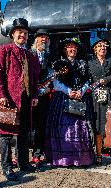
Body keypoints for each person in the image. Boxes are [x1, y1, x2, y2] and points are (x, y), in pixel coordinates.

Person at [0, 18, 41, 181]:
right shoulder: (4, 50)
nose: (23, 35)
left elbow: (34, 78)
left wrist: (34, 95)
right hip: (9, 99)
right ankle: (7, 167)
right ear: (13, 34)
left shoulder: (30, 55)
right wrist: (0, 95)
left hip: (26, 98)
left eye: (26, 33)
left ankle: (23, 163)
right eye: (20, 32)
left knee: (24, 132)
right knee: (5, 134)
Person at [45, 37, 94, 167]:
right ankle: (63, 158)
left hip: (79, 98)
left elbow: (87, 81)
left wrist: (81, 91)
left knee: (80, 128)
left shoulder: (83, 64)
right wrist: (68, 91)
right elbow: (55, 82)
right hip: (63, 98)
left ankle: (79, 159)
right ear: (65, 50)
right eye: (70, 47)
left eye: (75, 47)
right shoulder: (58, 64)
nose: (72, 49)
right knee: (63, 128)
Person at [88, 38, 111, 166]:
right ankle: (99, 155)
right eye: (99, 46)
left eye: (104, 46)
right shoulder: (90, 63)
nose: (102, 48)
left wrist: (104, 80)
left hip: (110, 96)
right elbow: (88, 79)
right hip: (96, 98)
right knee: (98, 126)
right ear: (95, 49)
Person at [30, 29, 53, 163]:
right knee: (25, 124)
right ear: (35, 40)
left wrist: (46, 88)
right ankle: (18, 154)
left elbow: (52, 75)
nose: (43, 39)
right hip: (29, 95)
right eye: (40, 37)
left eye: (46, 38)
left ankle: (37, 153)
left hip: (43, 96)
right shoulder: (29, 54)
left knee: (40, 124)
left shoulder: (50, 57)